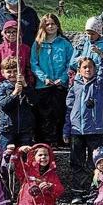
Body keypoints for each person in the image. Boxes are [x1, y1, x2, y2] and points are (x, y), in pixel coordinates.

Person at [65, 56, 103, 203]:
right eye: (84, 67)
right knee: (76, 162)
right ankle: (78, 192)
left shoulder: (99, 85)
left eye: (90, 67)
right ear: (79, 70)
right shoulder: (74, 86)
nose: (87, 69)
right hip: (76, 130)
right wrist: (66, 130)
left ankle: (95, 191)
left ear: (95, 70)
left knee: (95, 163)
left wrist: (102, 58)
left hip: (95, 130)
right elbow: (69, 109)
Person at [30, 14, 73, 145]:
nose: (50, 27)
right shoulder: (37, 44)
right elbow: (34, 63)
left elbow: (70, 63)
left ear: (57, 25)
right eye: (47, 24)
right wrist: (44, 78)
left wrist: (63, 78)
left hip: (60, 85)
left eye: (53, 24)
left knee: (59, 113)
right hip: (43, 86)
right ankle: (44, 141)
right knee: (44, 114)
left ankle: (59, 140)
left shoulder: (65, 44)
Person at [0, 57, 35, 150]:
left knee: (25, 156)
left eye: (15, 71)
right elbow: (3, 105)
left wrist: (26, 87)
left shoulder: (26, 86)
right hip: (7, 129)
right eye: (9, 72)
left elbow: (34, 101)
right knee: (5, 155)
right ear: (3, 73)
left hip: (25, 129)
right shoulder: (1, 88)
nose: (12, 74)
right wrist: (14, 93)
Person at [0, 20, 34, 86]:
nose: (11, 34)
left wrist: (28, 82)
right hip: (4, 84)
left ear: (19, 32)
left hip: (21, 83)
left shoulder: (25, 49)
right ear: (4, 33)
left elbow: (29, 67)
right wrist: (1, 82)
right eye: (8, 32)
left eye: (14, 31)